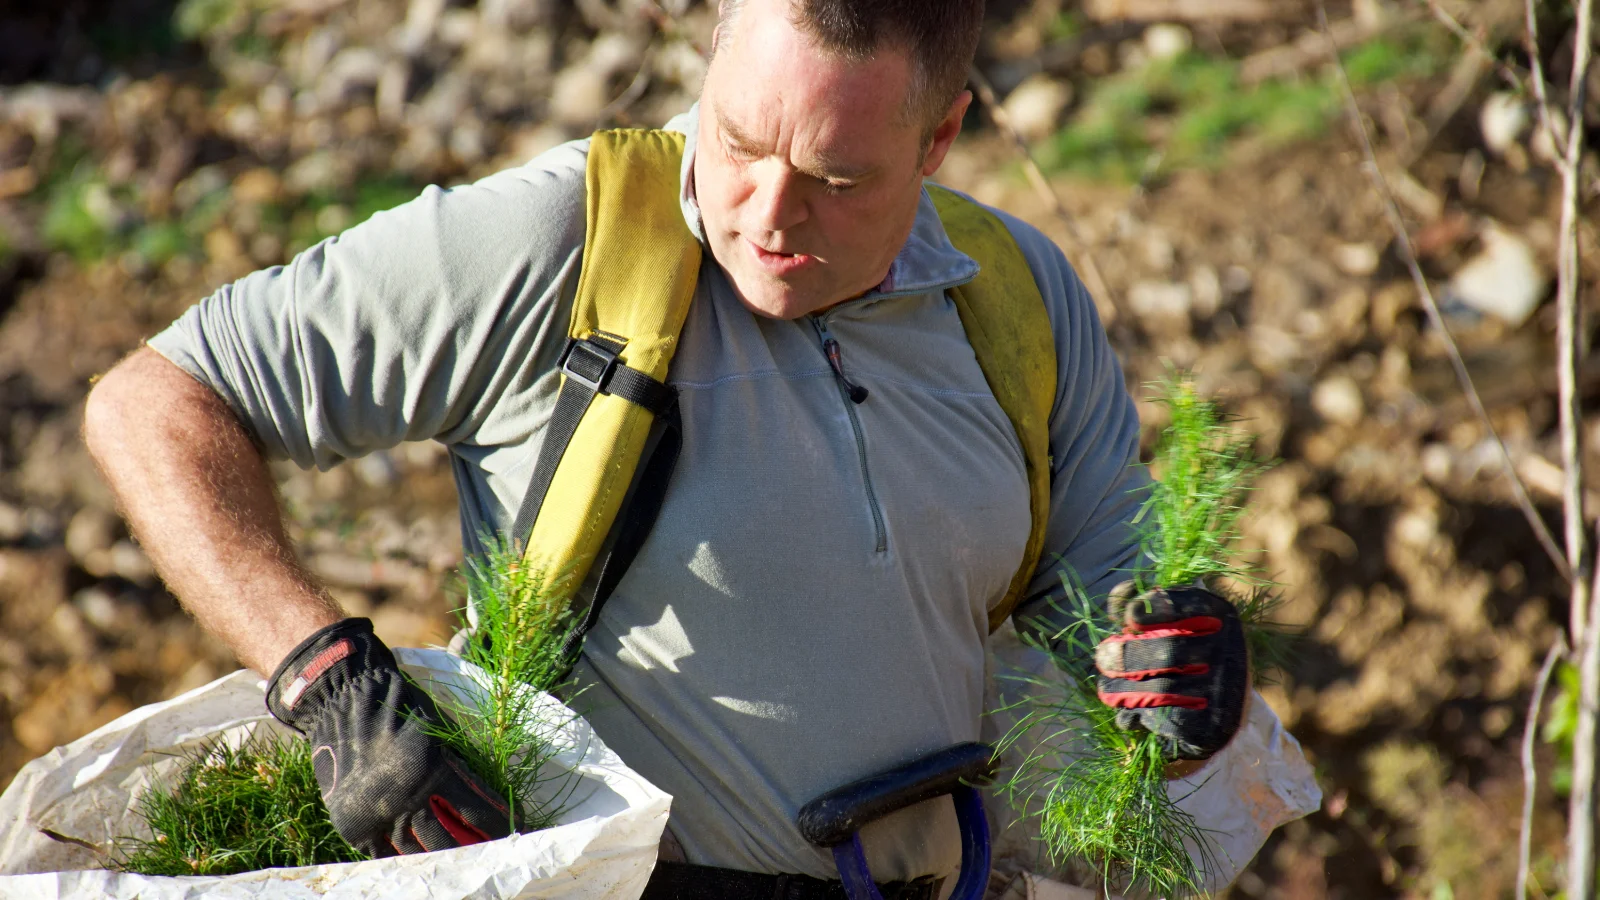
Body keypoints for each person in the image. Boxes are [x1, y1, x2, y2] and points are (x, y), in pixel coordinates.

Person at [82, 0, 1247, 896]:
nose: (766, 213)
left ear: (940, 134)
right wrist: (328, 683)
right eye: (740, 142)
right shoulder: (560, 243)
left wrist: (1181, 668)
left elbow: (1115, 593)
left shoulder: (1016, 296)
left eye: (837, 181)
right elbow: (157, 402)